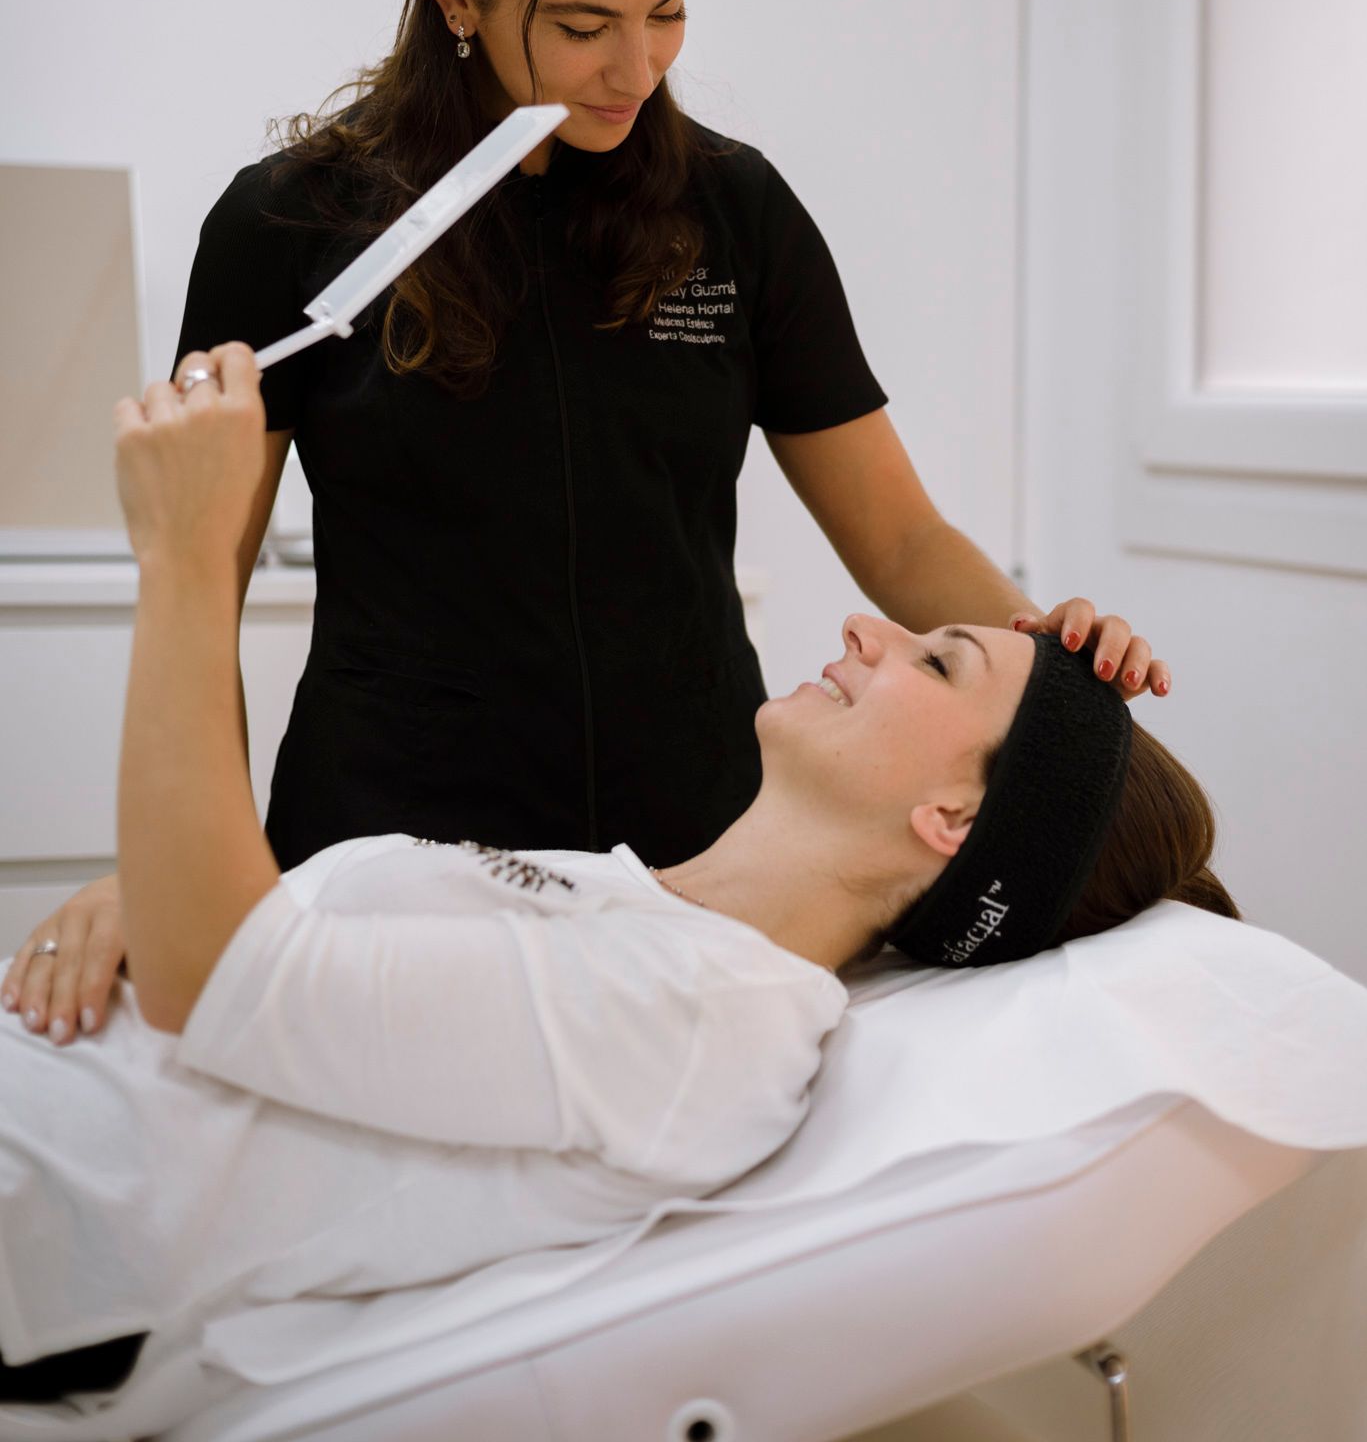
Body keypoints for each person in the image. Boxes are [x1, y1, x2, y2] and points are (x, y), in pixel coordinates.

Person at [5, 0, 1175, 1045]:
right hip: (383, 854)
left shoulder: (736, 216)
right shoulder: (290, 228)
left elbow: (896, 539)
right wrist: (168, 868)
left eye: (669, 11)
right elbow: (196, 588)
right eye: (581, 25)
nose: (637, 66)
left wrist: (1036, 666)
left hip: (693, 860)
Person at [0, 346, 1234, 1411]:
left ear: (951, 818)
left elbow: (214, 979)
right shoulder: (630, 898)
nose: (870, 628)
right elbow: (257, 955)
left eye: (936, 659)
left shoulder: (713, 1021)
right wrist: (169, 888)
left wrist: (183, 554)